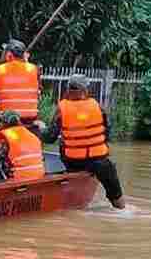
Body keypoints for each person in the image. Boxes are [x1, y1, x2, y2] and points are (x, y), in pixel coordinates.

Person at [42, 73, 125, 208]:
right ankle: (120, 206)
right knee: (117, 195)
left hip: (74, 163)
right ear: (86, 90)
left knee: (64, 141)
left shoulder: (61, 109)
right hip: (100, 162)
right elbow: (108, 134)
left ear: (68, 89)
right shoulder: (98, 107)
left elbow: (50, 137)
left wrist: (40, 128)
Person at [0, 39, 41, 125]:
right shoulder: (33, 69)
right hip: (30, 118)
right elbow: (38, 93)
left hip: (6, 118)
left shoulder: (0, 69)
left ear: (9, 55)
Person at [0, 109, 45, 182]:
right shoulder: (30, 134)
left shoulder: (6, 135)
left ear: (3, 122)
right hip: (39, 175)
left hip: (19, 178)